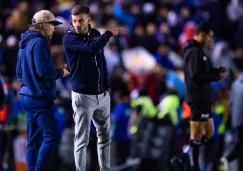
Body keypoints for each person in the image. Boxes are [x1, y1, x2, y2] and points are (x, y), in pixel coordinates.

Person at [63, 4, 118, 171]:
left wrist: (106, 86)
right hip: (83, 96)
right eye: (74, 21)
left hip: (101, 95)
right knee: (82, 139)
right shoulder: (69, 38)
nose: (77, 24)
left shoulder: (94, 34)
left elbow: (102, 62)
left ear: (89, 19)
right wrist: (108, 33)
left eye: (80, 20)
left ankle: (105, 169)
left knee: (105, 137)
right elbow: (91, 48)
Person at [16, 10, 69, 171]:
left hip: (27, 96)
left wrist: (28, 86)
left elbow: (19, 73)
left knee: (33, 140)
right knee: (52, 136)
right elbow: (43, 72)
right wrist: (62, 72)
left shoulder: (24, 43)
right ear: (43, 25)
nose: (53, 29)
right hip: (38, 98)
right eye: (52, 25)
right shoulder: (39, 42)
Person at [171, 22, 226, 171]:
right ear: (201, 35)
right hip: (197, 98)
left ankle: (183, 158)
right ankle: (193, 166)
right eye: (209, 37)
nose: (210, 40)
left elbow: (202, 71)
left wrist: (215, 71)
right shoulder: (194, 52)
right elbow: (195, 75)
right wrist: (215, 76)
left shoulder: (200, 51)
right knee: (196, 134)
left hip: (204, 97)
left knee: (209, 133)